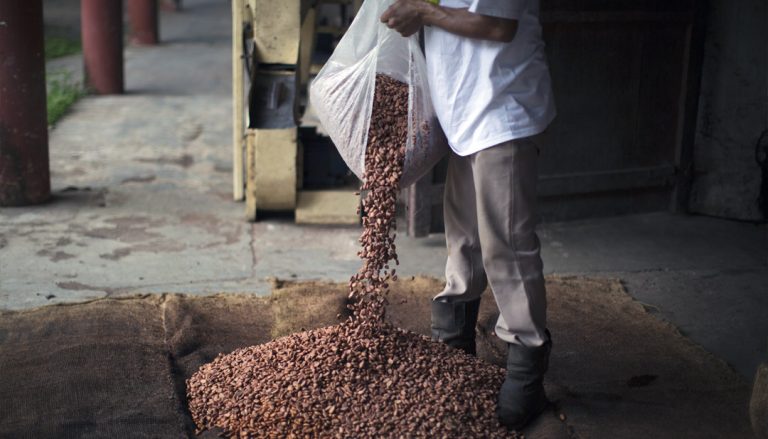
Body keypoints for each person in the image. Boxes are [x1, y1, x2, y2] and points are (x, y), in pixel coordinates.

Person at [381, 0, 556, 431]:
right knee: (465, 238)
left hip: (501, 108)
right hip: (463, 113)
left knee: (506, 248)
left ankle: (525, 373)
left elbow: (498, 26)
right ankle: (455, 352)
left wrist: (421, 12)